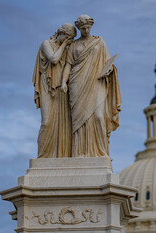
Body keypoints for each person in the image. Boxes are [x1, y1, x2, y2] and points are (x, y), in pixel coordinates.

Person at [61, 15, 122, 157]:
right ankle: (79, 152)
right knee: (78, 121)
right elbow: (68, 65)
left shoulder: (99, 43)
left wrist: (110, 70)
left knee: (99, 116)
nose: (86, 30)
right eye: (82, 28)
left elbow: (108, 62)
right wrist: (64, 82)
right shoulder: (73, 46)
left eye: (88, 27)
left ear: (91, 26)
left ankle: (100, 152)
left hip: (96, 82)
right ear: (78, 28)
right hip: (77, 82)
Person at [32, 23, 77, 158]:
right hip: (47, 85)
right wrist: (64, 45)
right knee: (46, 122)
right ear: (61, 33)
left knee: (62, 124)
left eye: (71, 39)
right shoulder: (46, 44)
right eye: (68, 37)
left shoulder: (67, 49)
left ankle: (60, 155)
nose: (69, 41)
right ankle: (42, 156)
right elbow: (54, 59)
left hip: (61, 88)